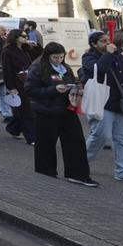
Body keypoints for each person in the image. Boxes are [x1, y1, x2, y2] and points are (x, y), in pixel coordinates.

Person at [25, 42, 95, 186]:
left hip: (67, 109)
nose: (58, 60)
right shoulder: (37, 67)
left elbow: (72, 81)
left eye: (61, 57)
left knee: (76, 141)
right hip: (46, 110)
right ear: (47, 56)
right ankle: (46, 170)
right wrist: (53, 90)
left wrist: (76, 88)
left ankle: (78, 174)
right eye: (55, 57)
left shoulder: (65, 67)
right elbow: (30, 90)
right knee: (46, 142)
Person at [80, 31, 123, 184]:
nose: (107, 43)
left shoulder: (118, 55)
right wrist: (108, 54)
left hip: (121, 103)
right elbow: (98, 69)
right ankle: (80, 163)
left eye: (108, 40)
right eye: (103, 41)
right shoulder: (89, 57)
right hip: (103, 103)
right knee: (100, 135)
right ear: (94, 44)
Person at [1, 29, 38, 145]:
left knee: (23, 108)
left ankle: (13, 128)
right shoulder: (7, 51)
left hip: (28, 81)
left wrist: (36, 46)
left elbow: (39, 57)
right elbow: (7, 70)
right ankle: (31, 137)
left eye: (26, 36)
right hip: (16, 82)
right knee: (26, 109)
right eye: (23, 36)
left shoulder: (26, 49)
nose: (25, 38)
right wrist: (11, 87)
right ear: (16, 37)